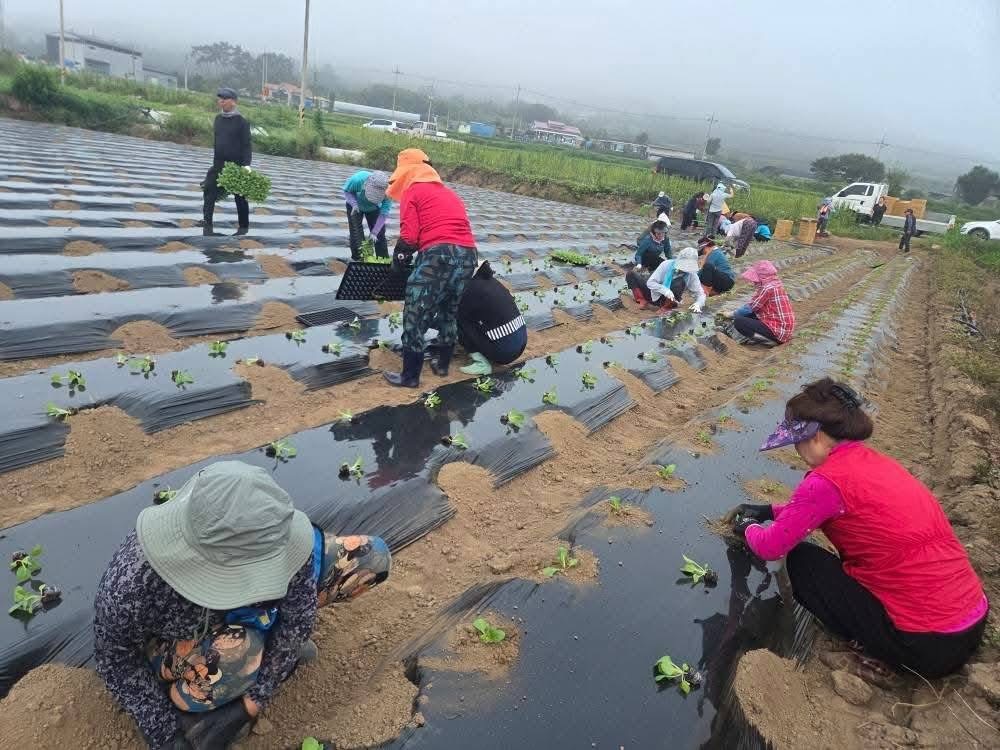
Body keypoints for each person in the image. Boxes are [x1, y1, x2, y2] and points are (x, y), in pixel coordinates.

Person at [94, 461, 391, 750]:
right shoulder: (133, 584)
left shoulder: (270, 530)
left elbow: (296, 619)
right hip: (182, 637)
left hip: (250, 612)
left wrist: (250, 705)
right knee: (242, 652)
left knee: (370, 558)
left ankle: (260, 652)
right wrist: (166, 736)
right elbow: (115, 660)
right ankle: (192, 707)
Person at [725, 379, 987, 679]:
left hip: (925, 646)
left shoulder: (826, 481)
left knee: (801, 561)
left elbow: (770, 546)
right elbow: (818, 510)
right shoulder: (874, 463)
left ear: (818, 437)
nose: (796, 450)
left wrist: (748, 527)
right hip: (970, 621)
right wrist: (770, 511)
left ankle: (877, 648)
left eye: (797, 441)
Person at [382, 148, 478, 387]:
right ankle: (442, 364)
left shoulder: (413, 192)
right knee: (449, 309)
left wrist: (398, 262)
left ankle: (410, 376)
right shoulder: (449, 193)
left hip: (438, 255)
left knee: (415, 313)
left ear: (406, 173)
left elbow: (410, 237)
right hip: (468, 256)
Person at [454, 260, 527, 375]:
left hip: (504, 353)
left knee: (458, 318)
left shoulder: (470, 290)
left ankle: (481, 363)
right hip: (521, 342)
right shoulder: (491, 282)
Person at [200, 88, 252, 237]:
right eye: (220, 98)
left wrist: (246, 165)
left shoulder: (242, 122)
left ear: (233, 102)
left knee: (240, 197)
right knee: (209, 191)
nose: (221, 101)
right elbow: (217, 142)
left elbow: (246, 145)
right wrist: (215, 164)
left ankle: (243, 227)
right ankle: (207, 221)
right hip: (218, 164)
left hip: (236, 165)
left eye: (225, 98)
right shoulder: (218, 119)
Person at [729, 260, 795, 344]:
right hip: (784, 329)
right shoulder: (776, 284)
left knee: (739, 322)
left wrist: (732, 314)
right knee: (750, 315)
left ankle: (766, 340)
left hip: (778, 331)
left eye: (755, 279)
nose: (754, 282)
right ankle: (764, 337)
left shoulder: (768, 288)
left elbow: (751, 307)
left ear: (762, 277)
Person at [628, 247, 706, 313]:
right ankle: (643, 301)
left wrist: (698, 304)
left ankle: (666, 308)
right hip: (653, 294)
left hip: (669, 300)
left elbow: (701, 294)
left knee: (679, 282)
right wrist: (665, 290)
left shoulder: (691, 275)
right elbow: (650, 283)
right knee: (631, 274)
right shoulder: (666, 265)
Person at [342, 170, 392, 259]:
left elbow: (384, 213)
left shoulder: (389, 193)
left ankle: (383, 260)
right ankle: (360, 259)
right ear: (366, 186)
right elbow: (347, 191)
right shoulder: (358, 180)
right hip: (355, 206)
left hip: (374, 208)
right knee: (356, 233)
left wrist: (375, 232)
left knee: (379, 234)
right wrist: (354, 204)